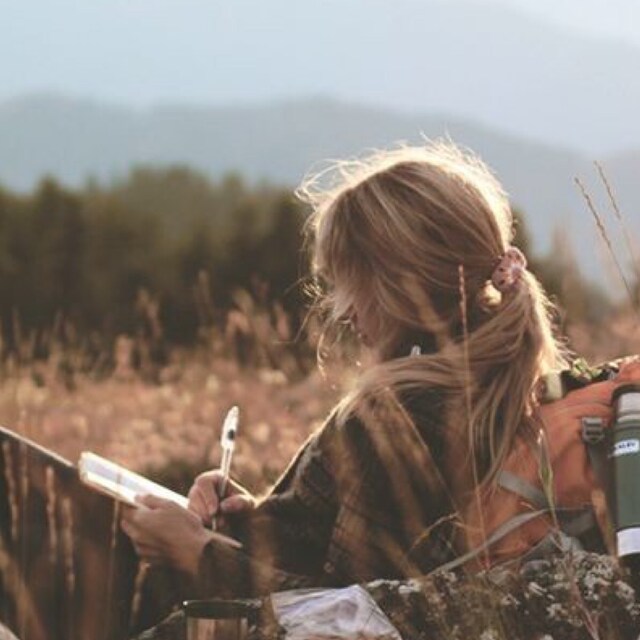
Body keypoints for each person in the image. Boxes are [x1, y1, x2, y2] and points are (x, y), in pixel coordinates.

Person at [120, 141, 571, 599]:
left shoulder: (401, 418)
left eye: (349, 283)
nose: (341, 310)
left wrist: (195, 553)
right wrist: (256, 524)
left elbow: (348, 614)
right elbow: (370, 555)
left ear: (395, 284)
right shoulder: (491, 384)